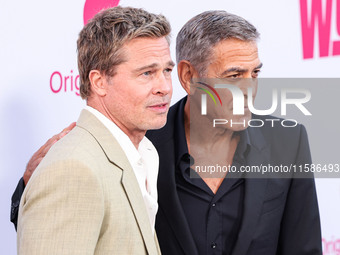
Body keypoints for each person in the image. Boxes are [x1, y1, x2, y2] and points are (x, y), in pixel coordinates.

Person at [12, 10, 322, 255]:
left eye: (255, 73)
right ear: (190, 76)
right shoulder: (143, 144)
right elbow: (69, 216)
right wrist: (29, 186)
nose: (249, 90)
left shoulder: (287, 141)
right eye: (233, 76)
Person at [15, 6, 174, 255]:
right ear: (99, 82)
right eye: (146, 73)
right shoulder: (73, 169)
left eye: (167, 70)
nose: (164, 87)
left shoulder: (145, 152)